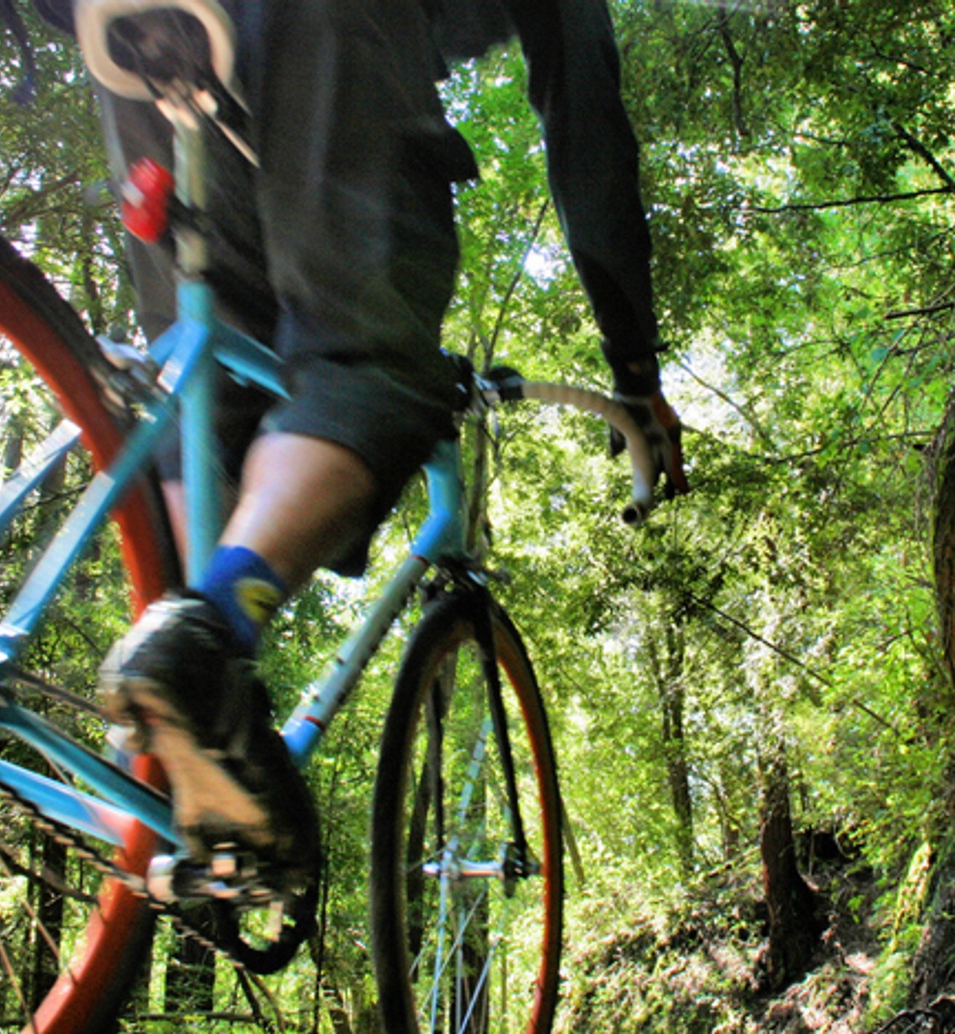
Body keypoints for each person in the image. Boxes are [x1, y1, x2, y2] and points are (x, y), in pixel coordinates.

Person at [65, 0, 687, 934]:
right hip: (322, 28)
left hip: (131, 42)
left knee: (203, 387)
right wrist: (634, 370)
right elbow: (586, 124)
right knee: (370, 367)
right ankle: (206, 637)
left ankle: (177, 745)